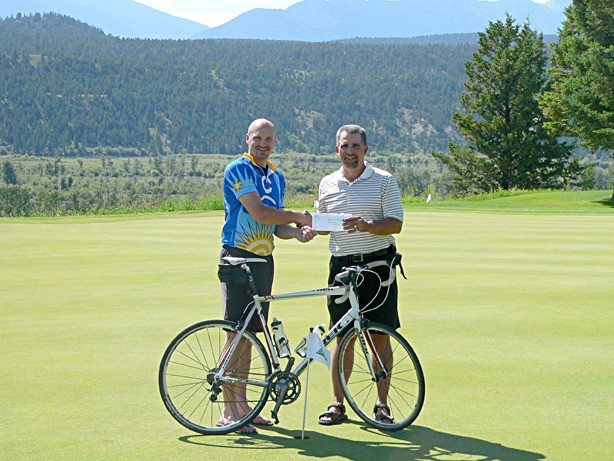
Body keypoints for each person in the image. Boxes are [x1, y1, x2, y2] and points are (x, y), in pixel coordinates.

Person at [219, 118, 316, 434]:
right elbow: (259, 213)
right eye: (258, 137)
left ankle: (243, 407)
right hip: (238, 258)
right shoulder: (237, 169)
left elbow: (275, 225)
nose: (263, 143)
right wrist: (297, 216)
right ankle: (228, 412)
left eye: (269, 139)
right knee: (237, 334)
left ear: (275, 142)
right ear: (247, 137)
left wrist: (297, 233)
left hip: (263, 260)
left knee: (251, 337)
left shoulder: (276, 177)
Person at [316, 124, 404, 426]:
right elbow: (324, 224)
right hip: (341, 267)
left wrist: (368, 225)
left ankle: (382, 405)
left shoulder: (384, 181)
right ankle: (337, 404)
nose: (349, 151)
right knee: (343, 337)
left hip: (378, 267)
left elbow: (395, 224)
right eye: (344, 146)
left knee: (379, 335)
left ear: (365, 150)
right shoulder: (327, 183)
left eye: (355, 146)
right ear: (336, 149)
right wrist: (307, 226)